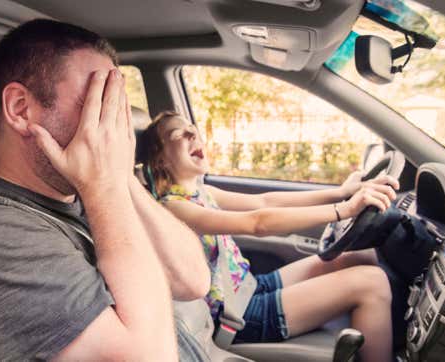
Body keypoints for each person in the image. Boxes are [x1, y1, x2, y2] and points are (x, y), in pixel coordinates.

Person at [0, 20, 212, 361]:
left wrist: (120, 177)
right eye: (97, 101)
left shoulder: (90, 196)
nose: (114, 122)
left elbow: (193, 281)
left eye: (115, 105)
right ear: (21, 109)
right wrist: (106, 185)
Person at [140, 110, 401, 362]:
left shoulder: (202, 192)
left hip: (248, 288)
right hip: (237, 317)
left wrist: (340, 192)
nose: (192, 135)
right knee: (372, 283)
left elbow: (264, 201)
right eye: (178, 135)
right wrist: (343, 209)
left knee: (358, 257)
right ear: (161, 159)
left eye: (192, 129)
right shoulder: (173, 207)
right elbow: (257, 223)